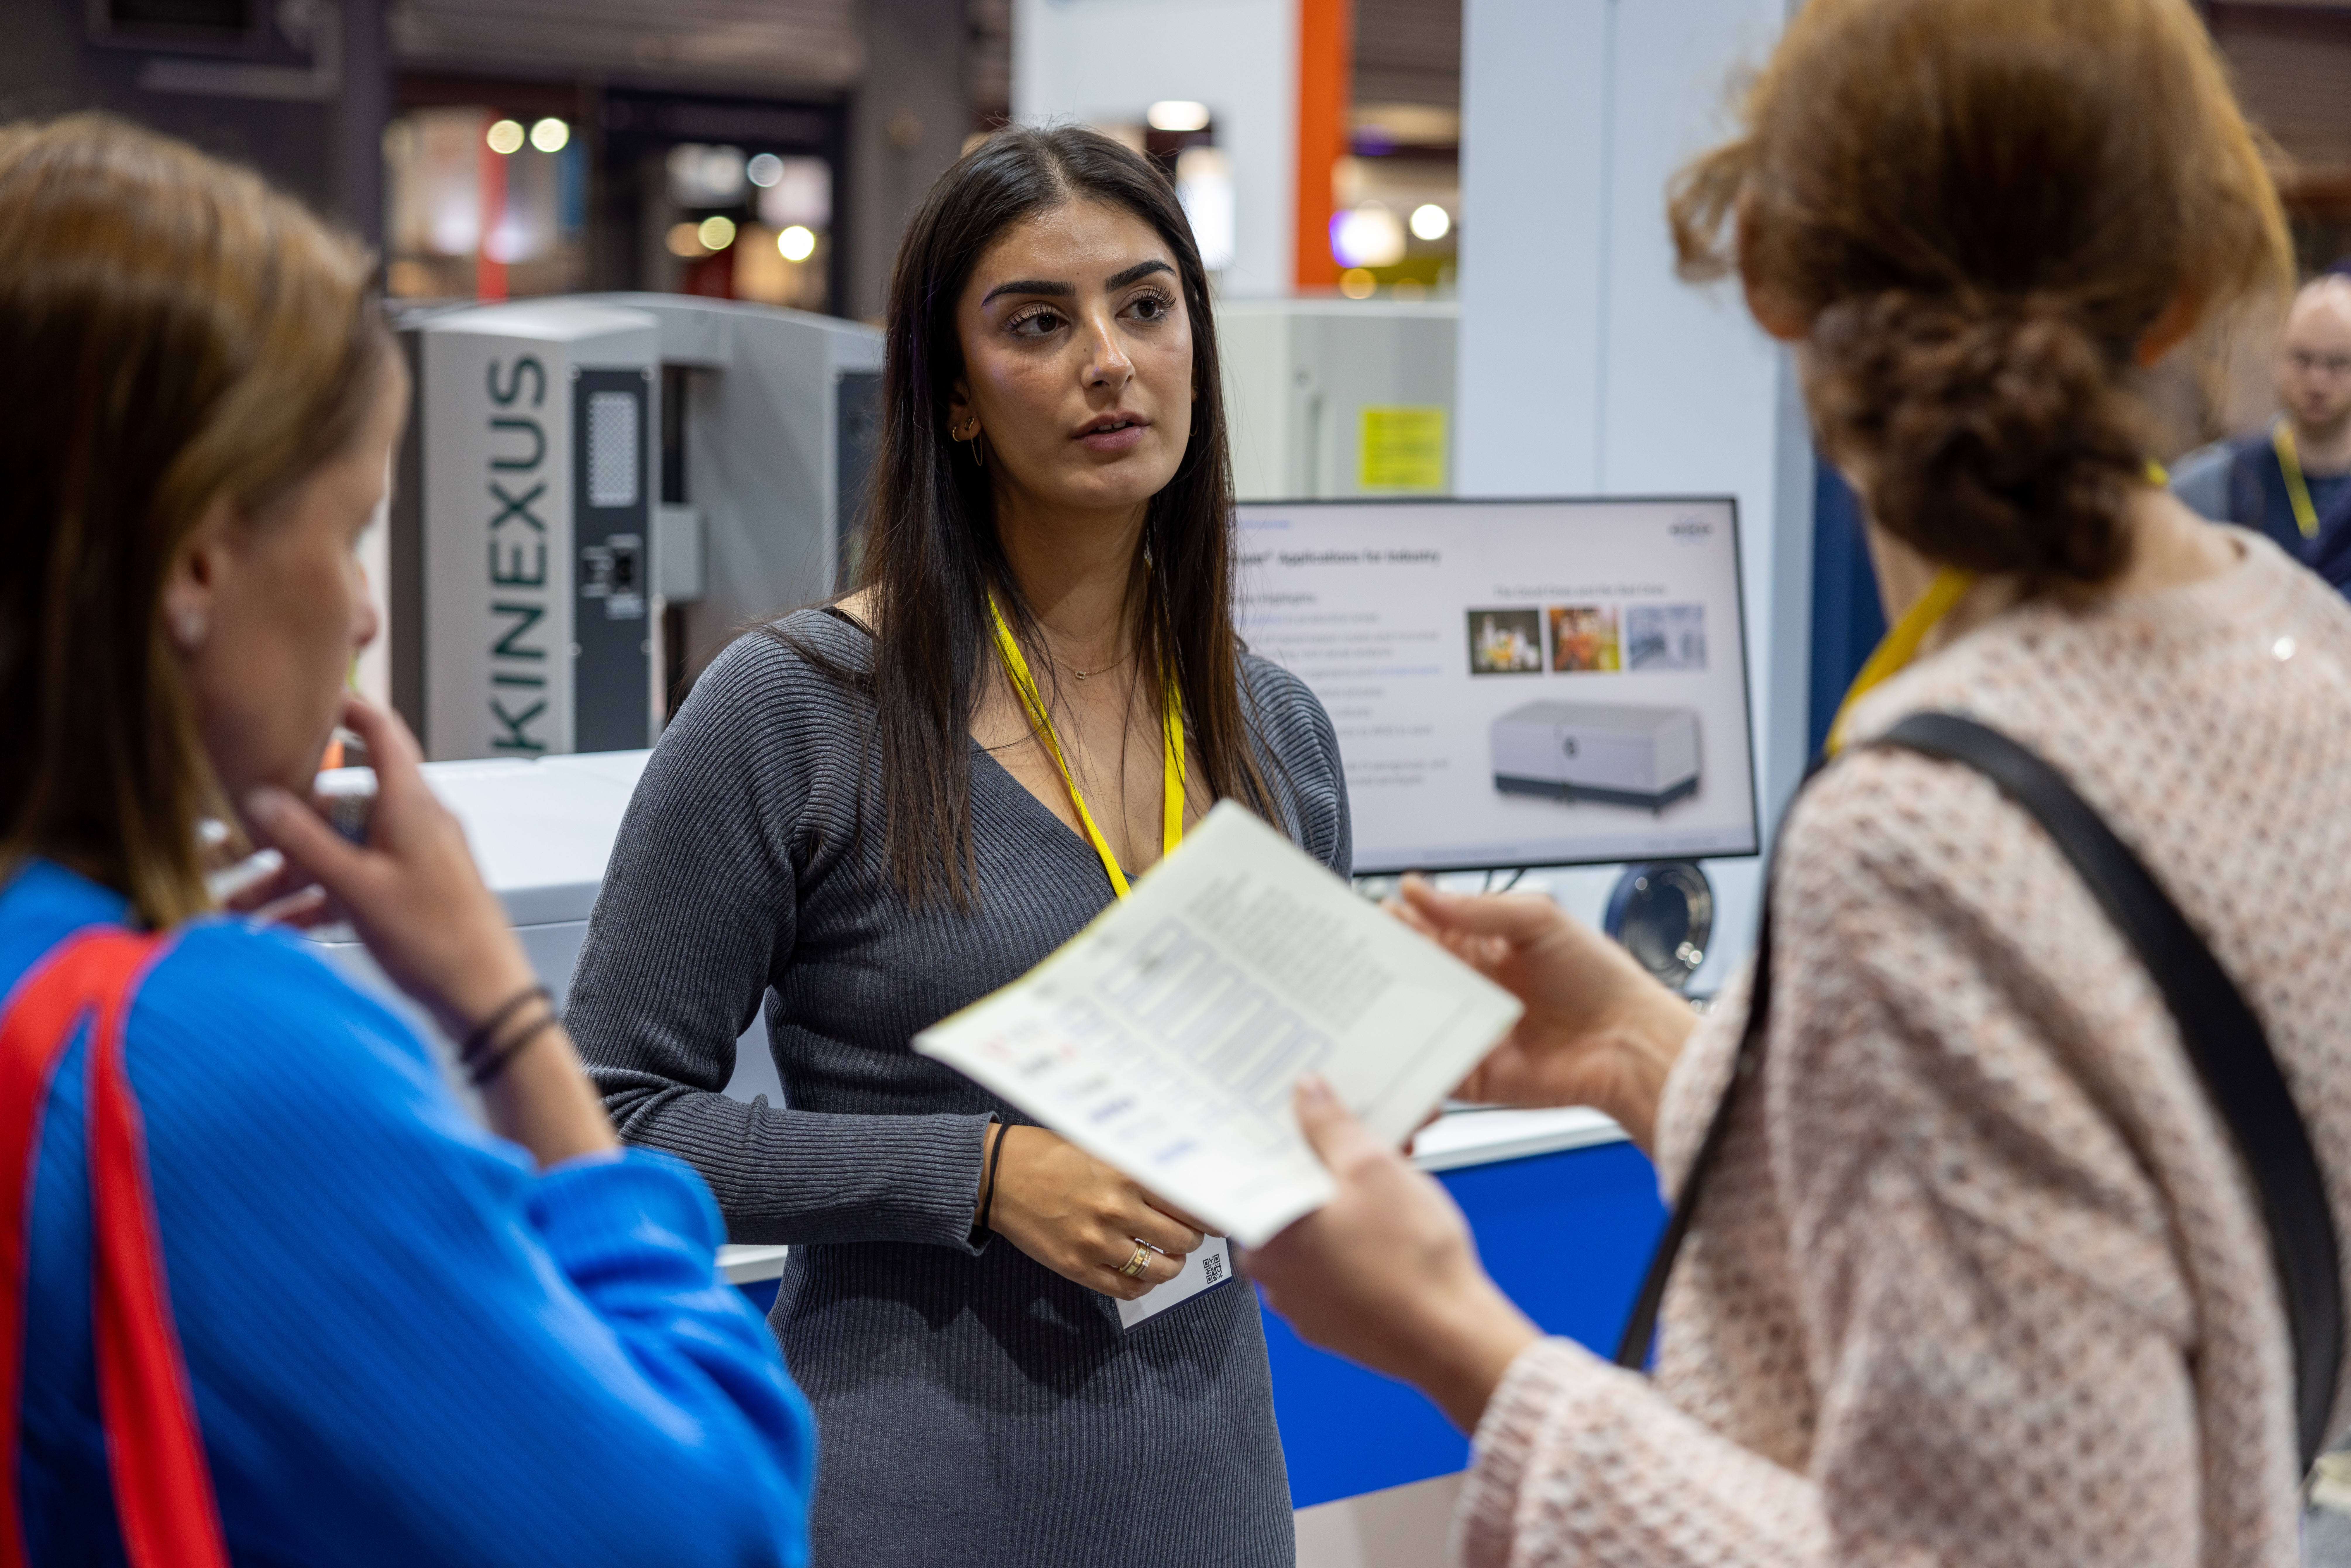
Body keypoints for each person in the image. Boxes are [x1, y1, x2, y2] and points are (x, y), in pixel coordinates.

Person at [1246, 2, 2351, 1565]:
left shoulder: (1922, 830)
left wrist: (1451, 1337)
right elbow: (2138, 1235)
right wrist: (1646, 1050)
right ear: (2180, 292)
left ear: (1765, 267)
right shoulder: (2295, 645)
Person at [0, 115, 815, 1564]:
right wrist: (505, 1015)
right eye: (348, 529)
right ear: (198, 558)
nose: (365, 611)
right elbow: (711, 1522)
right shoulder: (208, 1056)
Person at [565, 126, 1348, 1566]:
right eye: (1037, 325)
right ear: (955, 398)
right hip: (911, 1506)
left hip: (1215, 1502)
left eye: (1144, 305)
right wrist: (975, 1172)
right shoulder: (799, 708)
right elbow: (601, 1115)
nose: (1108, 361)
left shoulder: (1274, 726)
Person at [2172, 275, 2351, 569]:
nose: (2316, 382)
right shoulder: (2215, 483)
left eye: (2338, 364)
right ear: (2277, 359)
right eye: (2302, 359)